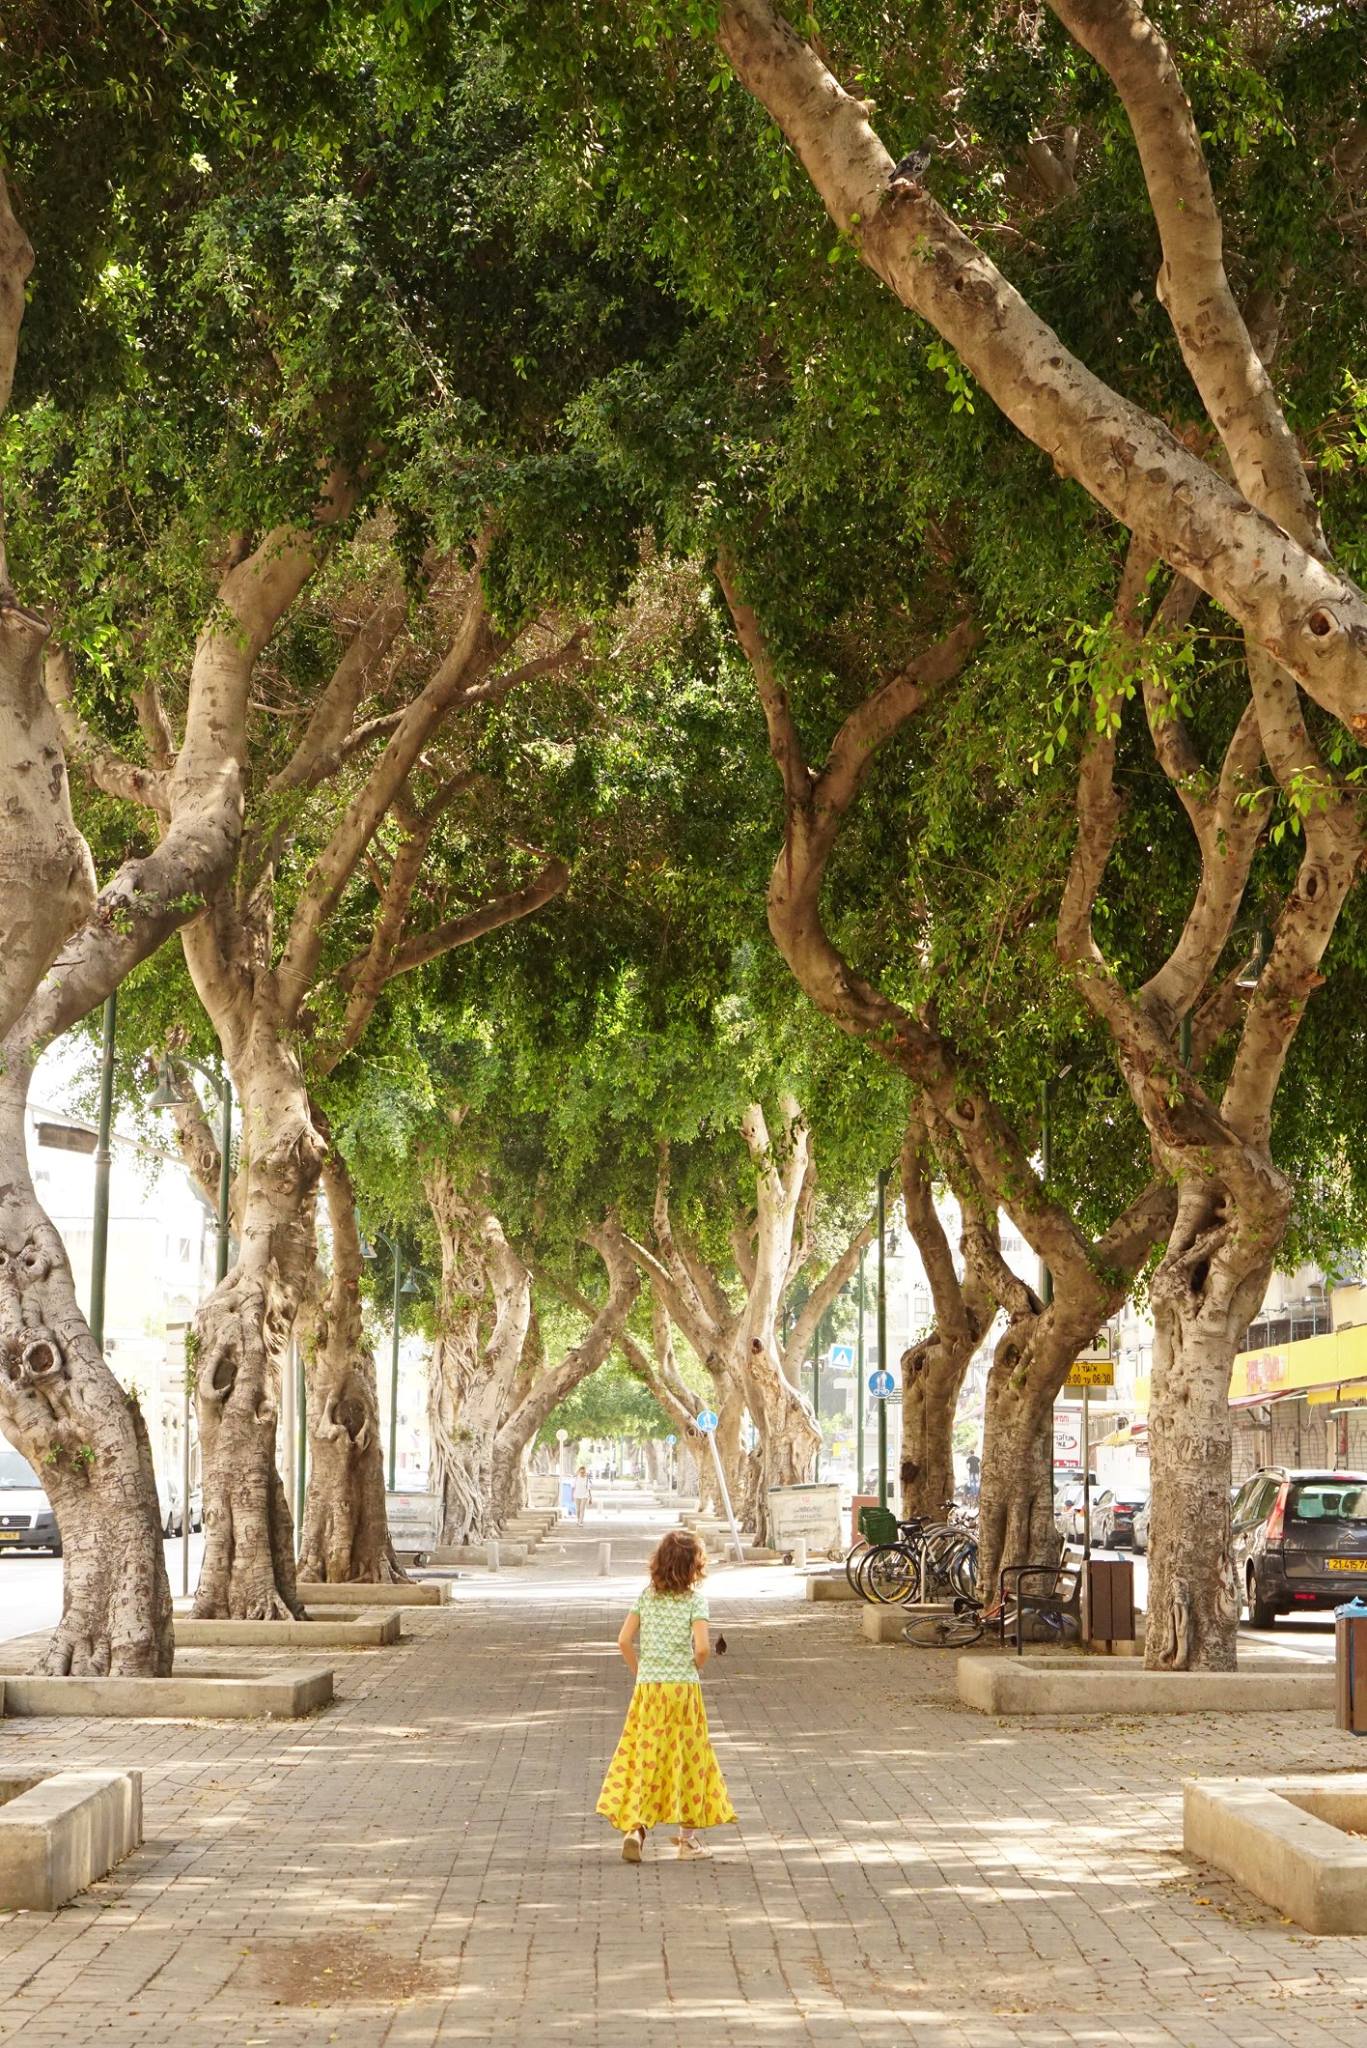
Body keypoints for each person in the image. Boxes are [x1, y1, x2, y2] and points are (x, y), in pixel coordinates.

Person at [597, 1528, 736, 1862]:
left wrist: (640, 1672)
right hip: (683, 1690)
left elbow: (623, 1641)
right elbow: (702, 1648)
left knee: (644, 1755)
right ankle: (688, 1841)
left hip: (649, 1689)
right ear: (693, 1567)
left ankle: (636, 1828)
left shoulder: (647, 1597)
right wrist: (694, 1666)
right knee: (689, 1758)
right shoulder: (695, 1601)